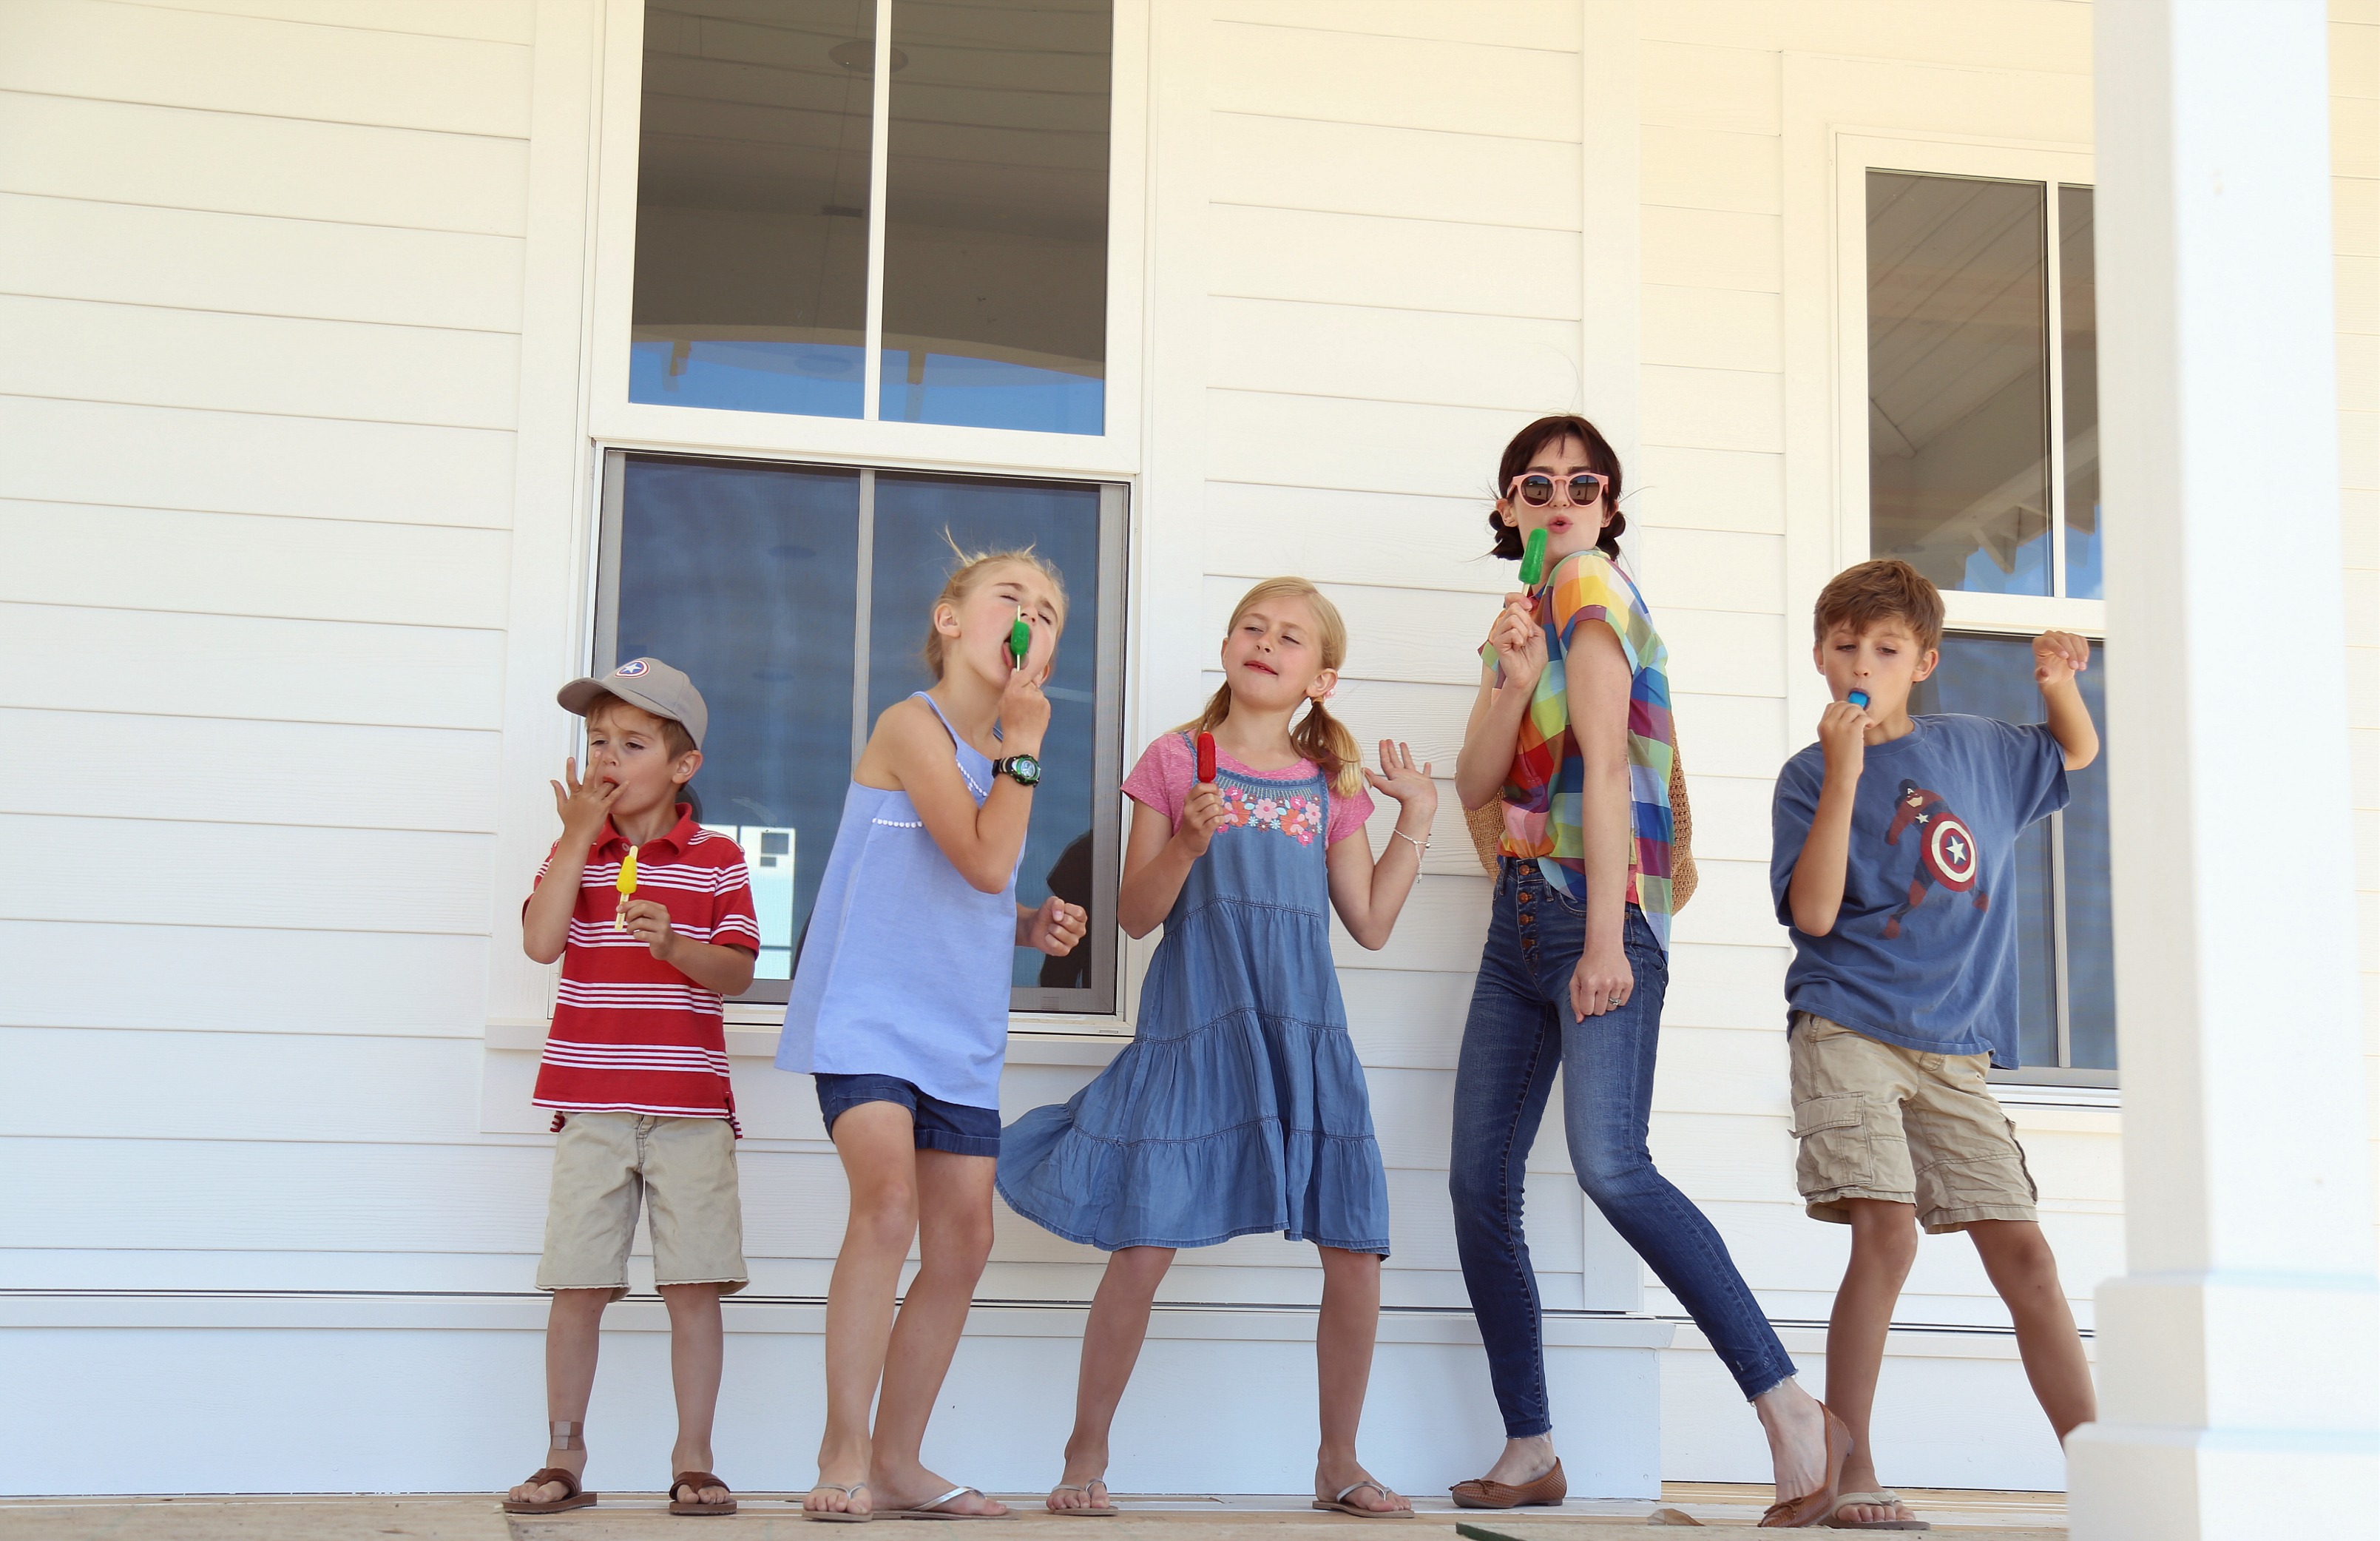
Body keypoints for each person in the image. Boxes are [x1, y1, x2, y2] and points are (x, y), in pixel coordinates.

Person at [1450, 415, 1847, 1528]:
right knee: (1478, 1183)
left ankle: (1787, 1408)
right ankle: (1529, 1444)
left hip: (1591, 905)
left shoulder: (1590, 582)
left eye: (1585, 482)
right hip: (1518, 915)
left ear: (1609, 505)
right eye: (1537, 484)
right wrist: (1504, 672)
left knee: (1611, 1165)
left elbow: (1613, 762)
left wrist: (1607, 938)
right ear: (1506, 508)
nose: (1562, 496)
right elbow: (1477, 779)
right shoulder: (1529, 615)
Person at [998, 577, 1438, 1520]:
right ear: (1229, 644)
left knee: (1354, 1250)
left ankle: (1339, 1461)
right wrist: (1187, 845)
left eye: (1289, 637)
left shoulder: (1330, 785)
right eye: (1252, 626)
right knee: (1144, 1244)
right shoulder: (1176, 759)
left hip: (1301, 1036)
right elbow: (1135, 914)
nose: (1265, 643)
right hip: (1197, 1033)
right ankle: (1083, 1452)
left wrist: (1418, 822)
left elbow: (1367, 922)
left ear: (1319, 677)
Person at [1772, 560, 2098, 1531]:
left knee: (2026, 1254)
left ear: (1923, 660)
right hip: (1848, 1025)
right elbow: (1817, 909)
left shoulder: (1980, 751)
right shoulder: (1806, 775)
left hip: (1955, 1044)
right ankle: (1849, 1468)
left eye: (1884, 647)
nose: (1861, 663)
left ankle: (2100, 1465)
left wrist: (2056, 685)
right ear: (1819, 656)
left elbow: (2072, 753)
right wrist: (1841, 775)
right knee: (1887, 1228)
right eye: (1843, 646)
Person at [778, 547, 1089, 1522]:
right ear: (951, 619)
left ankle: (902, 1457)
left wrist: (1034, 924)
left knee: (965, 1235)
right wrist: (1026, 748)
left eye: (1047, 610)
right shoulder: (909, 726)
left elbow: (978, 884)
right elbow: (985, 856)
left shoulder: (996, 760)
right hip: (869, 1021)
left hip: (956, 1035)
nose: (1029, 615)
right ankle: (844, 1446)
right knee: (886, 1203)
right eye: (1011, 596)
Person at [507, 658, 761, 1519]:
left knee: (691, 1284)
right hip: (593, 1107)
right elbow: (542, 943)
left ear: (682, 765)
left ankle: (694, 1458)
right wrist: (578, 837)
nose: (608, 758)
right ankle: (562, 1454)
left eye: (632, 743)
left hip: (689, 1109)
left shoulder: (717, 859)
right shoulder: (576, 853)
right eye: (597, 741)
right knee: (577, 1281)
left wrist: (674, 947)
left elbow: (733, 974)